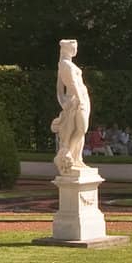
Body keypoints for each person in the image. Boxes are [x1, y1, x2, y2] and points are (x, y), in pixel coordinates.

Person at [51, 37, 90, 174]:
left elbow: (61, 88)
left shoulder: (65, 64)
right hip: (77, 100)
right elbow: (72, 84)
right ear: (69, 49)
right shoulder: (65, 65)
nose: (76, 49)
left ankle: (75, 158)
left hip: (79, 99)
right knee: (81, 128)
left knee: (80, 130)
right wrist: (80, 100)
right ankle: (67, 154)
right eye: (74, 47)